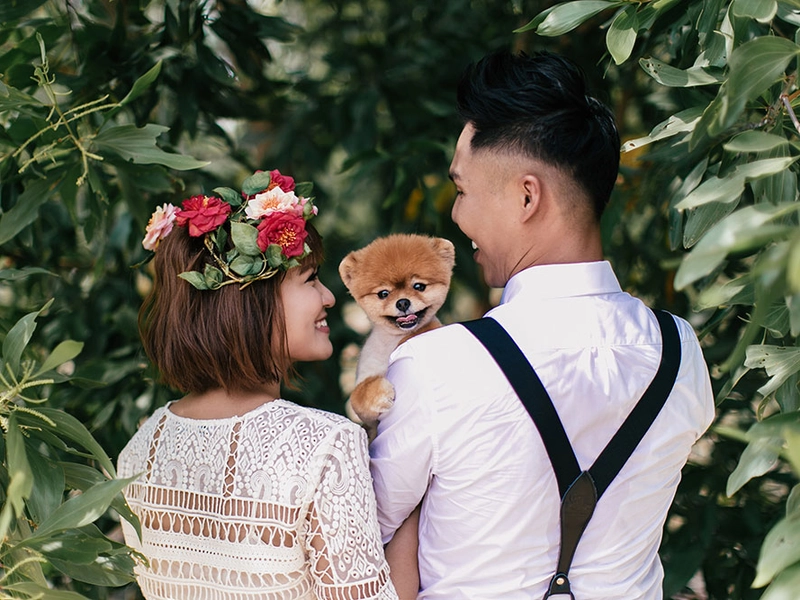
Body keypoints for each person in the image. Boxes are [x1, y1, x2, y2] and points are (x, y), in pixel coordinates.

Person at [370, 50, 716, 599]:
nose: (456, 216)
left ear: (527, 196)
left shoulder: (435, 367)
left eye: (462, 191)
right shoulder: (680, 352)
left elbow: (364, 539)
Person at [117, 169, 398, 600]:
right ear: (252, 300)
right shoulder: (324, 446)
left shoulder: (140, 451)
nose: (328, 297)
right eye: (310, 279)